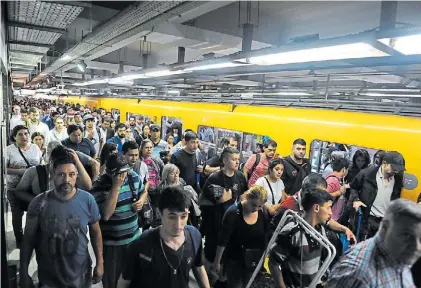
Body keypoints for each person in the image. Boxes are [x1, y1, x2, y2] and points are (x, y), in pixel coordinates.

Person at [19, 151, 104, 288]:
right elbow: (28, 239)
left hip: (81, 276)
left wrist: (100, 263)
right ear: (52, 175)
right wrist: (23, 271)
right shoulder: (38, 203)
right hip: (49, 279)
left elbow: (96, 233)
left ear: (77, 175)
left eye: (71, 174)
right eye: (61, 175)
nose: (66, 180)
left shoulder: (87, 200)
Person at [118, 186, 210, 288]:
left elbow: (199, 267)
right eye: (172, 217)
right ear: (160, 213)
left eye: (183, 216)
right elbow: (124, 282)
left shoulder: (194, 236)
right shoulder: (141, 244)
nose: (178, 225)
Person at [326, 199, 421, 287]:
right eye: (407, 236)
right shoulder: (358, 275)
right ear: (385, 227)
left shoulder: (400, 256)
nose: (417, 247)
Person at [90, 153, 143, 288]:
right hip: (112, 246)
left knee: (134, 280)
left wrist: (141, 200)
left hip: (134, 241)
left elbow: (143, 191)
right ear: (109, 172)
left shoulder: (133, 177)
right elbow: (106, 215)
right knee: (113, 282)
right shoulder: (98, 187)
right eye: (119, 173)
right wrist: (116, 187)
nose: (123, 176)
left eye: (125, 171)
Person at [199, 147, 248, 286]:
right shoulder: (215, 178)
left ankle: (222, 279)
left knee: (226, 257)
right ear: (225, 160)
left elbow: (243, 195)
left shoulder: (240, 177)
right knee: (212, 256)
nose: (237, 162)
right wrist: (220, 200)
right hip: (215, 225)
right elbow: (203, 200)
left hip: (232, 224)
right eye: (233, 159)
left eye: (238, 159)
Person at [269, 187, 334, 288]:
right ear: (316, 208)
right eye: (328, 207)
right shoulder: (293, 230)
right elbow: (273, 262)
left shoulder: (320, 229)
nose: (331, 212)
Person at [214, 186, 270, 288]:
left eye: (260, 206)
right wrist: (217, 261)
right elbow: (223, 240)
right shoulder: (233, 213)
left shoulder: (263, 212)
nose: (256, 209)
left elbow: (265, 237)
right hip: (235, 260)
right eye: (254, 205)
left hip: (254, 259)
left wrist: (264, 257)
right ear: (247, 197)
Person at [15, 143, 96, 208]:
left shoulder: (70, 172)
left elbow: (87, 186)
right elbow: (19, 191)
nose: (61, 169)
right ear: (50, 161)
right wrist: (37, 200)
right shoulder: (33, 172)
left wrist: (77, 161)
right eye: (57, 166)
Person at [350, 151, 405, 241]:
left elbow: (396, 198)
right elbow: (353, 187)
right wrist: (356, 199)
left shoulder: (397, 179)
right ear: (384, 163)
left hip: (385, 221)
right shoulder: (367, 174)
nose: (396, 171)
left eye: (398, 169)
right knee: (364, 248)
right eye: (394, 168)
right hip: (368, 219)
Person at [6, 125, 43, 247]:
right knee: (17, 214)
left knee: (35, 213)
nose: (24, 136)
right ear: (14, 137)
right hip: (15, 189)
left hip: (33, 189)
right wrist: (22, 171)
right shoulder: (8, 150)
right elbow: (3, 169)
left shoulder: (35, 148)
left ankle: (33, 236)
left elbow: (41, 163)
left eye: (26, 133)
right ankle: (19, 238)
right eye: (20, 134)